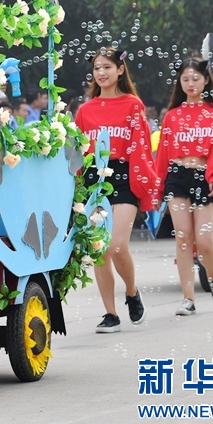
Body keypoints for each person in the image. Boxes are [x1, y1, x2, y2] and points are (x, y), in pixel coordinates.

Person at [75, 48, 158, 333]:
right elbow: (77, 151)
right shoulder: (85, 110)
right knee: (99, 250)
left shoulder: (133, 104)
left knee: (117, 245)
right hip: (93, 180)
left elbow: (142, 146)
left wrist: (144, 182)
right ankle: (110, 313)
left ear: (120, 70)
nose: (101, 73)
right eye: (97, 67)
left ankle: (132, 292)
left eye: (107, 67)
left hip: (124, 175)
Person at [155, 58, 213, 316]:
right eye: (185, 79)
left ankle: (212, 277)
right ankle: (188, 298)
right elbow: (163, 154)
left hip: (204, 176)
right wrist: (157, 188)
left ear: (206, 79)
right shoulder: (173, 115)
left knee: (204, 241)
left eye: (195, 78)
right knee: (183, 237)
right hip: (177, 176)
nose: (190, 83)